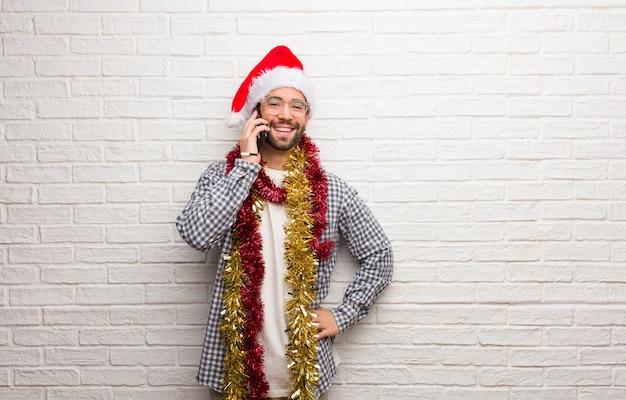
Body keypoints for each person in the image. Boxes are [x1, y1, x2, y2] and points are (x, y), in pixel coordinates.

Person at [176, 45, 393, 400]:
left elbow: (379, 255)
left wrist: (344, 314)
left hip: (306, 370)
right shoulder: (222, 177)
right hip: (234, 369)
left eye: (297, 105)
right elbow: (196, 235)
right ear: (256, 112)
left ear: (307, 117)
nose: (286, 114)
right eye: (274, 102)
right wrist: (246, 165)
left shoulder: (332, 191)